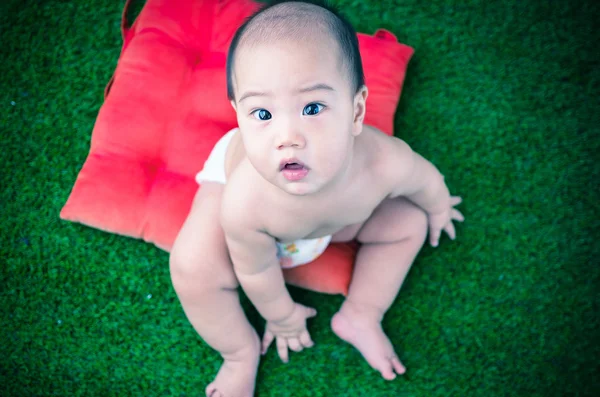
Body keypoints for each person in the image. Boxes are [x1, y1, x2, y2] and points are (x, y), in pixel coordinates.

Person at [169, 1, 464, 396]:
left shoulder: (382, 162)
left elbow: (423, 177)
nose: (287, 136)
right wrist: (282, 315)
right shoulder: (243, 202)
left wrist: (439, 205)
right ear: (238, 115)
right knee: (193, 267)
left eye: (312, 108)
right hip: (247, 211)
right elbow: (255, 270)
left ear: (356, 111)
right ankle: (239, 354)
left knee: (410, 222)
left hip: (333, 221)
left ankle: (361, 314)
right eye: (261, 114)